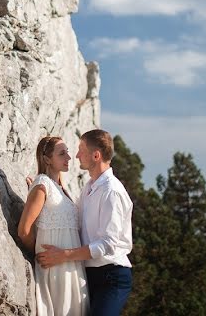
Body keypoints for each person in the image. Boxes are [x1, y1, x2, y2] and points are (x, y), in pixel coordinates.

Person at [37, 130, 133, 316]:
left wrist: (64, 255)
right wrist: (45, 187)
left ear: (96, 155)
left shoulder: (111, 191)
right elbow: (75, 218)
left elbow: (108, 244)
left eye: (81, 149)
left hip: (111, 277)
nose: (77, 155)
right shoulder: (89, 187)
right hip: (90, 274)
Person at [18, 136, 90, 315]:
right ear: (47, 159)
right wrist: (38, 254)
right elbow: (24, 230)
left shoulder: (60, 188)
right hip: (55, 267)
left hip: (71, 266)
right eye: (62, 153)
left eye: (68, 153)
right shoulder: (42, 185)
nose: (68, 157)